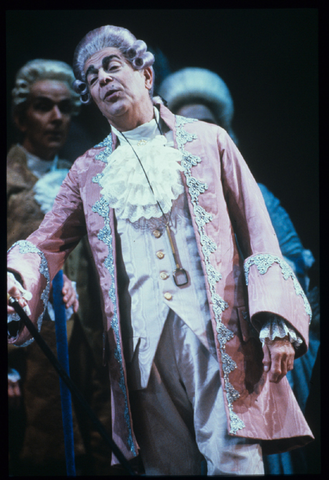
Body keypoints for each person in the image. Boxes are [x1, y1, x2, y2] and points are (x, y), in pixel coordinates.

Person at [7, 25, 314, 476]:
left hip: (217, 338)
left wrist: (277, 322)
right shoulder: (88, 170)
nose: (102, 80)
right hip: (140, 353)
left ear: (146, 74)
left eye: (112, 67)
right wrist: (16, 276)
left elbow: (259, 232)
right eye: (91, 77)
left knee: (235, 464)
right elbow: (45, 242)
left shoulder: (210, 142)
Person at [159, 67, 320, 474]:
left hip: (256, 351)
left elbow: (293, 263)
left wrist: (272, 318)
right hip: (191, 358)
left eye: (208, 126)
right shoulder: (163, 206)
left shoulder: (258, 195)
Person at [7, 59, 112, 475]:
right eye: (42, 106)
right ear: (20, 116)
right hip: (28, 353)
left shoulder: (82, 178)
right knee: (42, 454)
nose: (56, 118)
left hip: (84, 341)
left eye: (65, 108)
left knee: (94, 451)